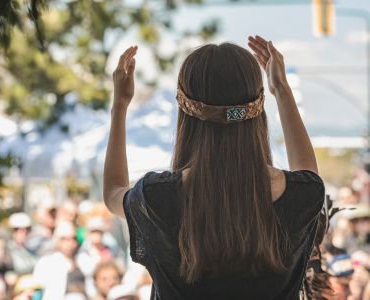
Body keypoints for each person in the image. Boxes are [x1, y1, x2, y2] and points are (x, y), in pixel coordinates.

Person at [103, 35, 325, 299]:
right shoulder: (302, 194)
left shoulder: (156, 197)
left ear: (185, 114)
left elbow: (113, 192)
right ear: (258, 110)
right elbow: (308, 174)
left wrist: (119, 105)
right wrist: (282, 90)